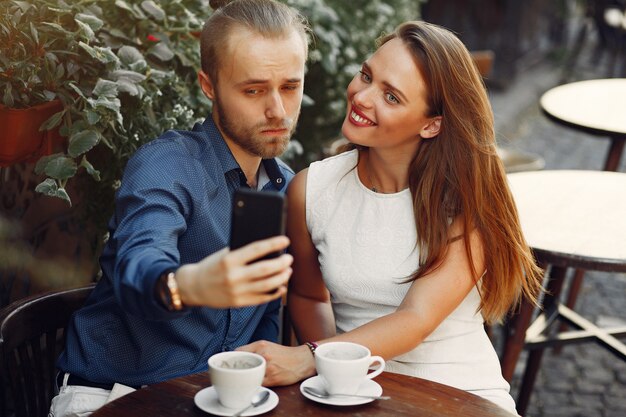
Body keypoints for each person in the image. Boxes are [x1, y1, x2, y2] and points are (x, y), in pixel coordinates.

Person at [240, 20, 543, 414]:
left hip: (457, 391)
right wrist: (335, 377)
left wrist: (310, 356)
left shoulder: (467, 201)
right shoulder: (311, 190)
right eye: (366, 75)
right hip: (355, 390)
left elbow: (416, 319)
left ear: (432, 123)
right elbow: (309, 294)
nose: (362, 97)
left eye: (391, 96)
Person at [48, 0, 309, 415]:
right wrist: (186, 286)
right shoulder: (167, 165)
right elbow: (139, 263)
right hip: (113, 396)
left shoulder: (286, 187)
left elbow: (263, 320)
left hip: (216, 400)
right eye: (254, 90)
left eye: (290, 87)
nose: (277, 110)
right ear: (209, 86)